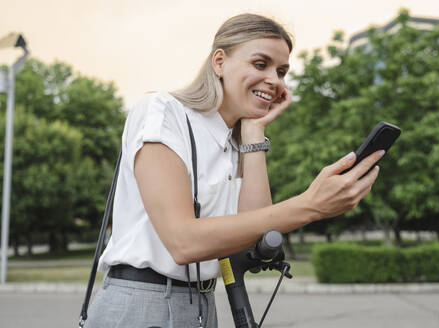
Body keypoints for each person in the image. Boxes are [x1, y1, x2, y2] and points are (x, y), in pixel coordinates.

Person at [84, 13, 383, 328]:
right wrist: (310, 205)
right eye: (260, 64)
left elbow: (253, 233)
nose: (275, 80)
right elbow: (182, 241)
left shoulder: (233, 142)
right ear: (219, 62)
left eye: (282, 71)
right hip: (143, 304)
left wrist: (254, 134)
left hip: (201, 305)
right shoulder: (161, 112)